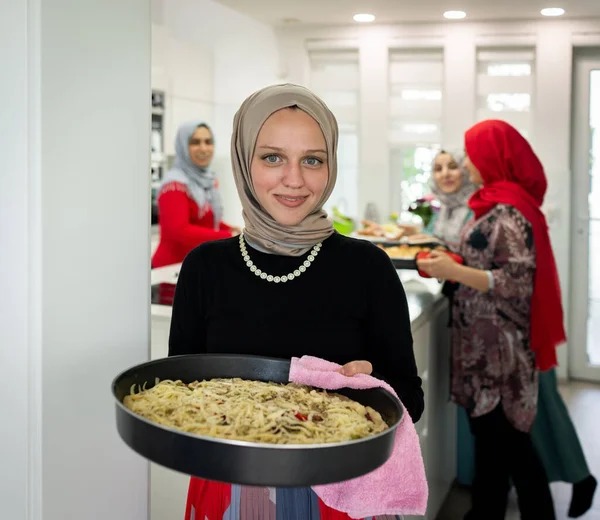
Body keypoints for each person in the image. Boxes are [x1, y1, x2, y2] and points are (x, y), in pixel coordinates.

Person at [168, 84, 424, 520]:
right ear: (244, 162)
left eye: (312, 159)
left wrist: (372, 383)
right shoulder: (204, 267)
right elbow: (179, 392)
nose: (294, 179)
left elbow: (410, 403)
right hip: (230, 491)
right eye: (272, 157)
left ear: (331, 166)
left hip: (343, 495)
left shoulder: (368, 267)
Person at [418, 146, 597, 518]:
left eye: (468, 156)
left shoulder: (509, 212)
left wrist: (455, 272)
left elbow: (516, 280)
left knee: (512, 442)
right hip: (484, 343)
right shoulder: (495, 203)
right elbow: (486, 260)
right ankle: (486, 509)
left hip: (499, 347)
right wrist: (456, 264)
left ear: (493, 159)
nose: (464, 165)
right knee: (493, 441)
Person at [152, 121, 240, 268]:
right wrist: (226, 237)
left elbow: (206, 221)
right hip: (172, 270)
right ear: (183, 146)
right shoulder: (174, 184)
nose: (203, 148)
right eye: (195, 142)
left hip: (196, 263)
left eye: (208, 142)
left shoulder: (208, 181)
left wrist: (228, 228)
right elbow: (178, 230)